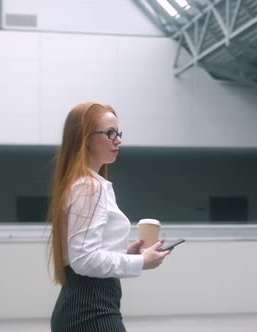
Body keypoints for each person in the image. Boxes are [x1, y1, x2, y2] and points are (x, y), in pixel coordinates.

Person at [48, 102, 171, 332]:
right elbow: (84, 259)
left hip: (89, 307)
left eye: (118, 133)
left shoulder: (87, 184)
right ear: (85, 139)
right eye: (110, 133)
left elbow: (86, 252)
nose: (118, 140)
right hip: (89, 312)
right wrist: (141, 261)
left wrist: (124, 252)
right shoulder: (88, 187)